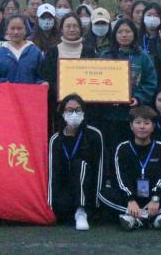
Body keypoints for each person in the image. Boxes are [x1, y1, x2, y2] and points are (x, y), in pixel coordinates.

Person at [99, 105, 161, 230]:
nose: (142, 127)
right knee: (103, 193)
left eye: (146, 123)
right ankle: (149, 217)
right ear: (131, 126)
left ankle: (133, 218)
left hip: (155, 198)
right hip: (130, 199)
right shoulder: (123, 148)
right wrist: (130, 199)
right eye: (138, 122)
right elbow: (120, 178)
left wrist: (155, 199)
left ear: (153, 126)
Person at [47, 95, 104, 231]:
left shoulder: (94, 135)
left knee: (79, 165)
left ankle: (81, 211)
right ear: (62, 113)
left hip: (87, 191)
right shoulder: (55, 139)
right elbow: (52, 173)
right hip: (65, 190)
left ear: (83, 112)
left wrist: (97, 203)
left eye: (78, 110)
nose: (74, 114)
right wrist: (50, 206)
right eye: (69, 110)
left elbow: (100, 170)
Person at [99, 20, 158, 150]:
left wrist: (138, 98)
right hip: (109, 115)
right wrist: (106, 96)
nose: (124, 35)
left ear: (134, 34)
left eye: (128, 31)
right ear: (114, 34)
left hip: (133, 115)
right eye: (120, 32)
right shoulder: (105, 55)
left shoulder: (143, 57)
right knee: (111, 149)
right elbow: (97, 81)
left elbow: (150, 82)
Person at [39, 13, 97, 113]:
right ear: (61, 29)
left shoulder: (89, 51)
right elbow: (47, 78)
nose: (72, 29)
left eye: (75, 26)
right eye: (68, 26)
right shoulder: (52, 52)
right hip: (58, 107)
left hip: (85, 107)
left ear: (80, 29)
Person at [0, 15, 46, 84]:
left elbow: (43, 75)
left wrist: (41, 82)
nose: (16, 32)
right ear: (6, 30)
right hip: (6, 91)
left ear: (26, 30)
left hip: (29, 90)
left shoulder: (35, 52)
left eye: (19, 28)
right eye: (12, 28)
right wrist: (2, 82)